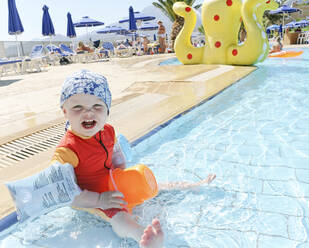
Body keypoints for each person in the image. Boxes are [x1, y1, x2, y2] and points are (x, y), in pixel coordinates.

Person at [52, 70, 216, 248]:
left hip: (112, 181)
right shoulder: (67, 150)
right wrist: (100, 200)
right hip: (93, 195)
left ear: (107, 110)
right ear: (65, 112)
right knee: (120, 217)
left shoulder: (107, 130)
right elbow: (64, 193)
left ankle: (193, 185)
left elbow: (115, 152)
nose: (89, 113)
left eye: (97, 107)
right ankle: (141, 237)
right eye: (78, 108)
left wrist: (123, 172)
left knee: (156, 187)